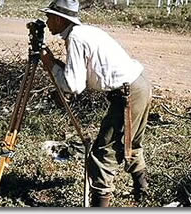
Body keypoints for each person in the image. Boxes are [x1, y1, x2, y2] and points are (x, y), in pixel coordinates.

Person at [40, 0, 151, 207]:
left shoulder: (75, 38)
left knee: (102, 154)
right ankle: (143, 194)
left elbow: (73, 86)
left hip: (128, 93)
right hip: (139, 84)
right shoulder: (84, 32)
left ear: (58, 19)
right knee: (131, 144)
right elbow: (79, 77)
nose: (46, 23)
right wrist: (55, 64)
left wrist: (50, 64)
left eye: (49, 17)